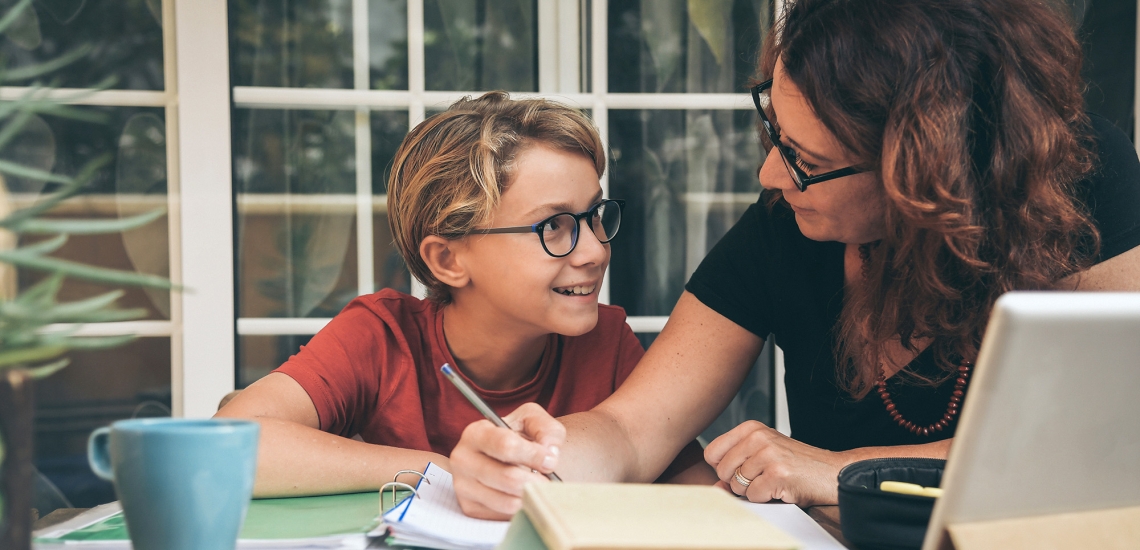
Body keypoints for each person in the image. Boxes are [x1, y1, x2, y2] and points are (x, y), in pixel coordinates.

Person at [448, 0, 1140, 518]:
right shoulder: (790, 222)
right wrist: (535, 458)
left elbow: (1107, 446)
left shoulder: (1076, 179)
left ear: (927, 171)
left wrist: (840, 471)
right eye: (774, 133)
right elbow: (633, 429)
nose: (771, 176)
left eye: (807, 161)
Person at [216, 92, 713, 496]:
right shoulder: (381, 338)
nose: (594, 250)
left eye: (594, 216)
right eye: (554, 226)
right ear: (447, 260)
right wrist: (440, 471)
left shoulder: (604, 342)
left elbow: (694, 489)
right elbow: (227, 445)